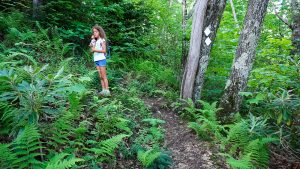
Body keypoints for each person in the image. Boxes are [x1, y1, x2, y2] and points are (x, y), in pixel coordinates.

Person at [90, 25, 110, 96]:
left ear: (99, 32)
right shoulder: (95, 41)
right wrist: (92, 40)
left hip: (101, 59)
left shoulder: (102, 40)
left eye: (96, 31)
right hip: (96, 59)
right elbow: (91, 50)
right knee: (100, 76)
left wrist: (94, 49)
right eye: (93, 32)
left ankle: (107, 91)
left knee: (104, 76)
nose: (94, 33)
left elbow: (104, 50)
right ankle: (103, 90)